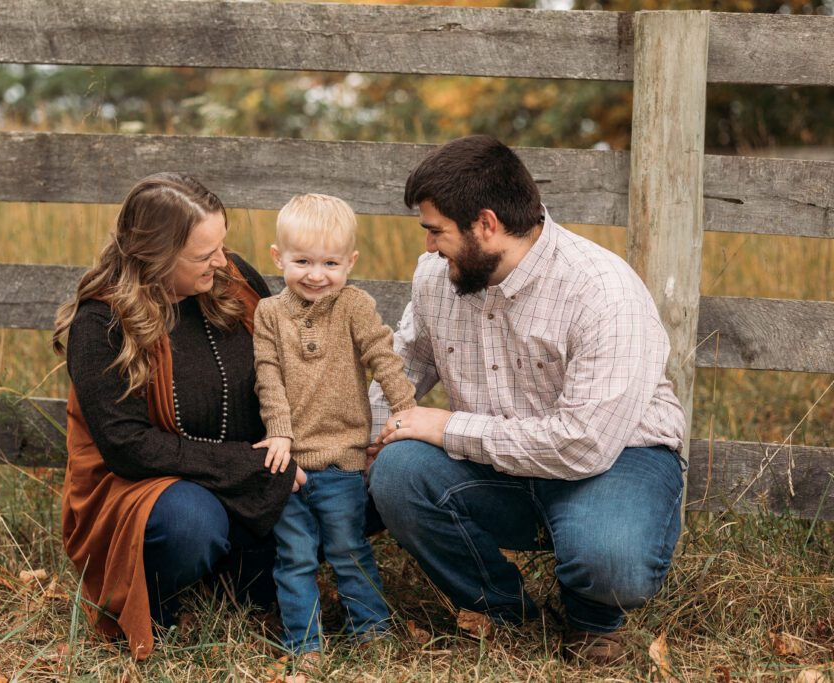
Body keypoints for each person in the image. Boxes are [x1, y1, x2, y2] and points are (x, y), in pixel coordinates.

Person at [367, 136, 686, 665]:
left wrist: (445, 427)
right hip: (498, 464)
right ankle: (505, 612)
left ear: (486, 225)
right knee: (399, 471)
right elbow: (404, 367)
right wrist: (348, 443)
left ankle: (592, 618)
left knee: (611, 559)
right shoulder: (437, 279)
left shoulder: (602, 292)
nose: (427, 247)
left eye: (435, 231)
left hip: (613, 462)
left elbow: (583, 445)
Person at [52, 173, 305, 659]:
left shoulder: (234, 281)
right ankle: (161, 600)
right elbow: (130, 449)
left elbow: (286, 366)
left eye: (221, 245)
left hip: (247, 473)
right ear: (154, 254)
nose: (220, 261)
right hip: (150, 485)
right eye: (202, 254)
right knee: (191, 524)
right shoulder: (102, 324)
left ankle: (239, 581)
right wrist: (254, 467)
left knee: (355, 483)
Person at [252, 193, 417, 655]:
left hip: (343, 460)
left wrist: (404, 410)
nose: (316, 274)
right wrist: (279, 431)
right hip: (287, 462)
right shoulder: (268, 314)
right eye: (302, 260)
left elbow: (383, 355)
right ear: (277, 257)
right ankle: (303, 643)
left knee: (349, 550)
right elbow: (267, 376)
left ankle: (373, 633)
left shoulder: (354, 306)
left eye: (330, 262)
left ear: (350, 262)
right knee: (295, 557)